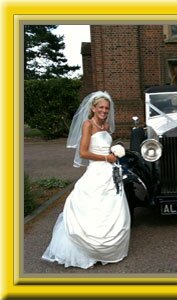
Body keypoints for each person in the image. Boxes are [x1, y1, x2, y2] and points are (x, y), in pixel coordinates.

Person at [42, 91, 131, 269]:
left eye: (107, 108)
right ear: (93, 108)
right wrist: (107, 158)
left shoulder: (106, 126)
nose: (104, 111)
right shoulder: (87, 125)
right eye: (101, 107)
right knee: (92, 207)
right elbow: (83, 153)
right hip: (96, 172)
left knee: (111, 207)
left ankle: (106, 250)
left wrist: (113, 153)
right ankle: (86, 251)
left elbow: (105, 148)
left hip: (110, 172)